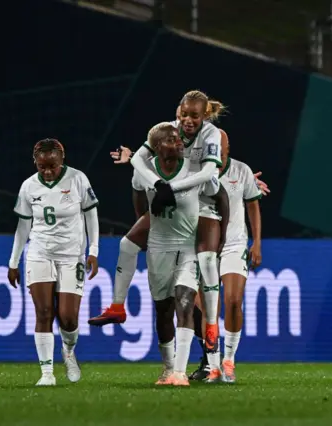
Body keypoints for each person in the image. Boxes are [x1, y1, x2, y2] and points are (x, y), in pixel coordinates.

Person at [88, 93, 269, 351]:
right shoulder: (164, 134)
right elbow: (139, 162)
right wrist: (159, 186)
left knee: (203, 272)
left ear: (204, 116)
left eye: (194, 116)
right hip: (172, 204)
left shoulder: (211, 135)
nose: (186, 122)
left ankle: (211, 328)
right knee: (128, 245)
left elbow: (210, 176)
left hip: (202, 204)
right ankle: (117, 306)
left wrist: (168, 189)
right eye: (183, 115)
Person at [132, 122, 229, 386]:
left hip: (188, 247)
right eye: (170, 140)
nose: (177, 143)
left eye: (179, 140)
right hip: (159, 249)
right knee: (163, 310)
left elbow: (220, 195)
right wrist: (145, 224)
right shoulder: (145, 170)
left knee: (185, 302)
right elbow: (139, 197)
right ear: (155, 148)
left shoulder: (196, 169)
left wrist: (221, 234)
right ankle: (168, 369)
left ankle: (180, 371)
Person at [7, 139, 100, 386]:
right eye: (42, 167)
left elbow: (91, 215)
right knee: (44, 312)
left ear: (62, 159)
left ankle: (68, 351)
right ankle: (46, 374)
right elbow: (23, 226)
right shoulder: (28, 187)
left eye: (53, 166)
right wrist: (13, 261)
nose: (47, 172)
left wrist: (94, 250)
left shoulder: (78, 179)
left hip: (71, 255)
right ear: (35, 163)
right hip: (39, 253)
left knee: (68, 317)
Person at [191, 130, 263, 383]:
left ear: (228, 148)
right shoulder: (196, 170)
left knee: (233, 301)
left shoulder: (241, 170)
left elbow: (253, 205)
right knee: (207, 308)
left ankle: (229, 361)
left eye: (221, 146)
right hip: (205, 247)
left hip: (234, 244)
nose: (217, 150)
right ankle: (213, 365)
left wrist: (257, 243)